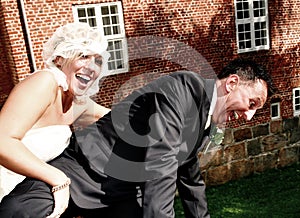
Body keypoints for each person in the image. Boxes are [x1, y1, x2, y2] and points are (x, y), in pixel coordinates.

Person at [0, 58, 275, 218]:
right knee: (17, 211)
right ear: (233, 83)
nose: (248, 116)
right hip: (83, 172)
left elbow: (190, 179)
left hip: (124, 194)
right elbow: (162, 163)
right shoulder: (182, 88)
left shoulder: (205, 121)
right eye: (252, 103)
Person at [0, 22, 110, 217]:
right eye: (83, 56)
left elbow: (120, 118)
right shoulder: (44, 82)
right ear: (59, 59)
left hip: (28, 197)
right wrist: (58, 178)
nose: (92, 67)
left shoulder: (79, 104)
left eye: (98, 61)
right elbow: (2, 142)